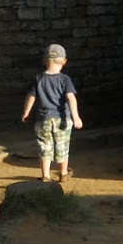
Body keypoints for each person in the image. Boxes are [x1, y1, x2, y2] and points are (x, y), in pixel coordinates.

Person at [20, 43, 83, 182]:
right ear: (64, 61)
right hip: (62, 119)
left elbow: (31, 96)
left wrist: (26, 112)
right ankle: (63, 174)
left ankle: (46, 175)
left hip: (43, 119)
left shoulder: (38, 78)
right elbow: (71, 98)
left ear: (44, 60)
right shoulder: (65, 79)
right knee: (63, 146)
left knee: (45, 147)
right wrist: (76, 117)